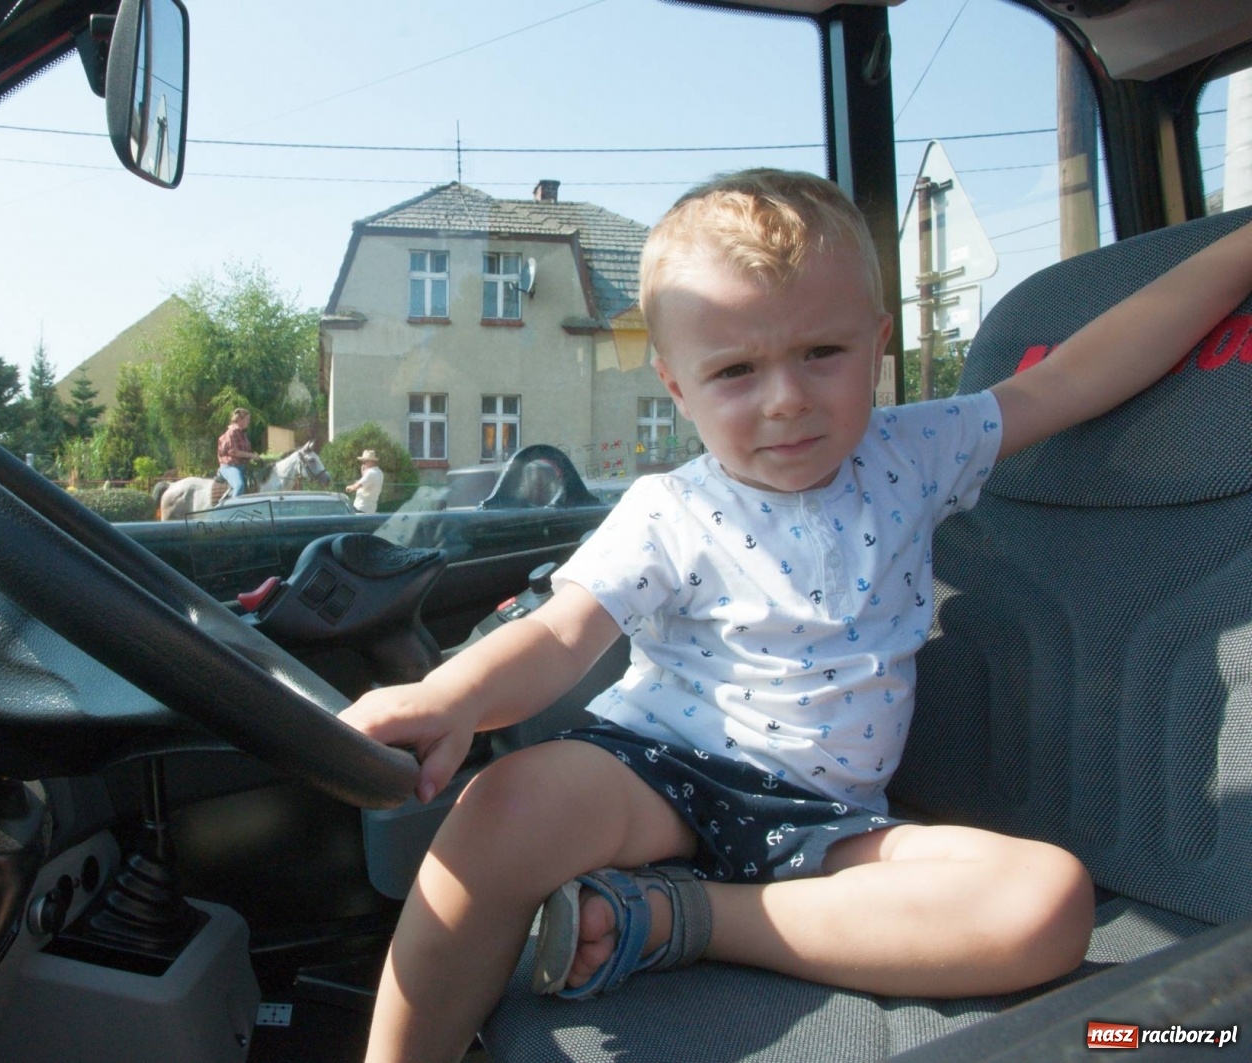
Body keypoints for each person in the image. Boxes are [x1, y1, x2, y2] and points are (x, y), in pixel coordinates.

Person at [341, 168, 1252, 1063]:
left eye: (823, 353)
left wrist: (1236, 256)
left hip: (833, 824)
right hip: (660, 778)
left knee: (1046, 901)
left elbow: (1075, 376)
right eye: (736, 370)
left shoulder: (917, 449)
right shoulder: (671, 508)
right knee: (502, 808)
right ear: (677, 386)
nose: (786, 397)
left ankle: (673, 920)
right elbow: (558, 633)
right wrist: (451, 694)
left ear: (878, 343)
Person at [216, 408, 256, 498]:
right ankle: (231, 509)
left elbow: (245, 452)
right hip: (230, 466)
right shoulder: (231, 433)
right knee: (239, 485)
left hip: (242, 466)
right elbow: (234, 452)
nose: (249, 422)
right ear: (240, 420)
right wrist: (252, 455)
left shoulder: (243, 434)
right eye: (247, 419)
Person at [347, 449, 385, 514]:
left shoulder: (370, 473)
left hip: (362, 508)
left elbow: (357, 485)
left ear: (370, 461)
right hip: (371, 508)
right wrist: (364, 475)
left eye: (364, 462)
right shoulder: (379, 472)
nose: (363, 464)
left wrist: (349, 487)